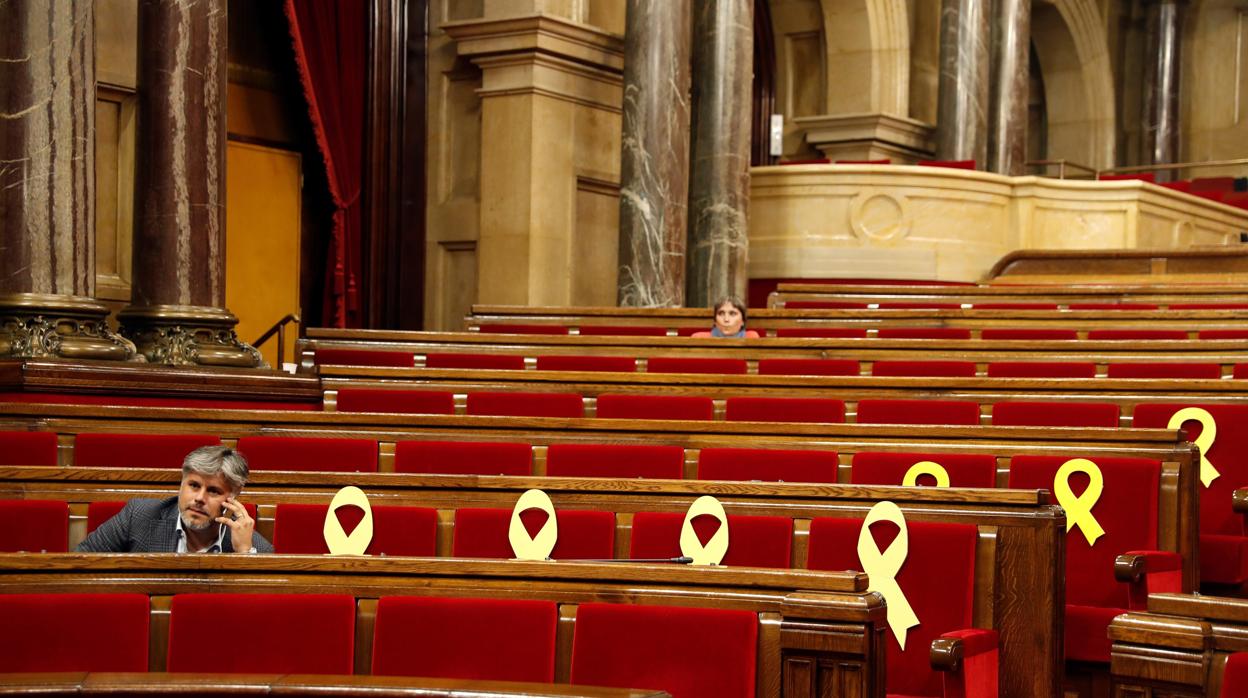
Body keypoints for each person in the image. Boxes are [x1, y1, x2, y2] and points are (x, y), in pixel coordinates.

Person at [77, 445, 273, 554]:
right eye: (194, 485)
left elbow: (258, 615)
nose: (199, 498)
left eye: (213, 491)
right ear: (181, 484)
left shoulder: (257, 548)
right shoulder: (138, 516)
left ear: (232, 498)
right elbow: (79, 563)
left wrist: (244, 555)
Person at [691, 296, 760, 338]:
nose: (726, 319)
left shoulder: (751, 337)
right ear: (715, 321)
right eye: (721, 313)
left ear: (743, 321)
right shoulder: (699, 338)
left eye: (732, 314)